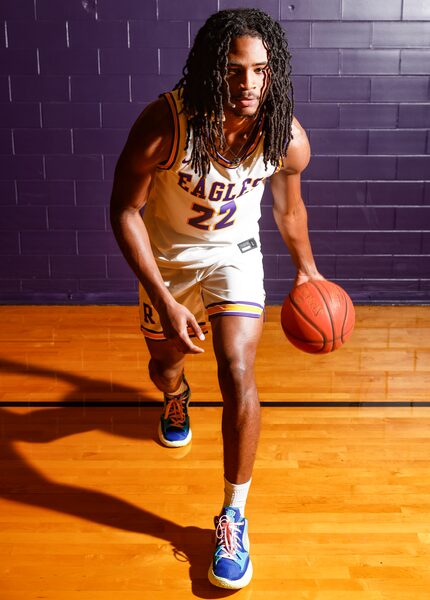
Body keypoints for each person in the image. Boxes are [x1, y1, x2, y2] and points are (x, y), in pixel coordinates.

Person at [110, 8, 323, 590]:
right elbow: (124, 211)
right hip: (170, 259)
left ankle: (233, 513)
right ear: (212, 70)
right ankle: (175, 396)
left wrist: (306, 271)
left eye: (260, 69)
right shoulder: (166, 124)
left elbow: (288, 208)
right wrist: (164, 296)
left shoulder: (284, 135)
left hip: (236, 255)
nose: (249, 85)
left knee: (237, 371)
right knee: (164, 363)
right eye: (235, 70)